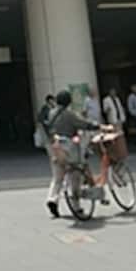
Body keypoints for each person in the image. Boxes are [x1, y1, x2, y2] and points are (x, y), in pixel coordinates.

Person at [44, 90, 104, 218]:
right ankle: (76, 206)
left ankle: (52, 199)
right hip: (69, 148)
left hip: (55, 148)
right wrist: (97, 126)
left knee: (57, 177)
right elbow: (83, 124)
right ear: (69, 101)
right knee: (75, 175)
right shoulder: (69, 114)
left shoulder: (52, 113)